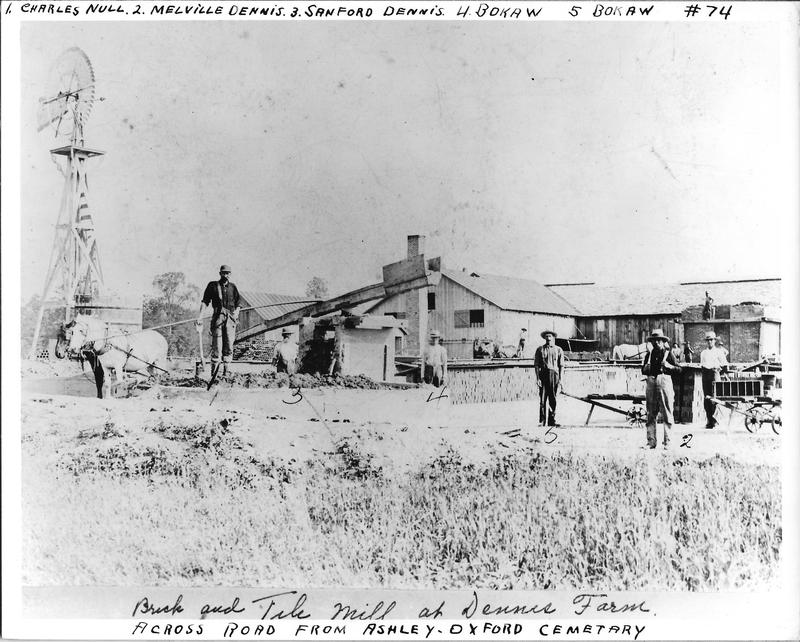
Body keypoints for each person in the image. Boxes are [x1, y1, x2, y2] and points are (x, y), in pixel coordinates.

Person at [196, 264, 241, 376]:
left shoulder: (233, 287)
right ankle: (214, 374)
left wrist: (236, 312)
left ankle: (226, 372)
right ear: (220, 273)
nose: (226, 275)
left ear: (230, 274)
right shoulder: (213, 285)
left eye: (228, 273)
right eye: (224, 273)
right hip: (217, 317)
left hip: (230, 318)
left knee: (229, 344)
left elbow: (239, 303)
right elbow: (205, 301)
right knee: (217, 345)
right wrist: (200, 316)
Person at [641, 329, 681, 449]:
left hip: (664, 382)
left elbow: (679, 369)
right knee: (650, 414)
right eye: (654, 341)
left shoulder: (668, 354)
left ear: (663, 342)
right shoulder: (649, 355)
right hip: (651, 382)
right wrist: (646, 368)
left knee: (667, 412)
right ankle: (651, 442)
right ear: (651, 342)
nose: (657, 343)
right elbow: (643, 370)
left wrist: (669, 367)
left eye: (659, 340)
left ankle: (668, 442)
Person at [534, 330, 564, 427]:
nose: (548, 338)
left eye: (550, 336)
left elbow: (561, 366)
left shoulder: (558, 350)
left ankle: (552, 421)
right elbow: (536, 365)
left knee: (553, 398)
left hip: (554, 375)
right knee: (542, 399)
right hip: (543, 375)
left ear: (553, 337)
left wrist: (560, 379)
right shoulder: (540, 349)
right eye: (546, 336)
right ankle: (542, 421)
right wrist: (538, 378)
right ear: (544, 338)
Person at [700, 331, 729, 429]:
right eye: (708, 340)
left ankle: (715, 419)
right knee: (707, 398)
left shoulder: (719, 352)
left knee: (715, 398)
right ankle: (709, 420)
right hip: (705, 375)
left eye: (711, 340)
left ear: (714, 341)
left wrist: (717, 372)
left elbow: (725, 366)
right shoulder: (703, 353)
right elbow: (702, 365)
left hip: (714, 374)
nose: (709, 342)